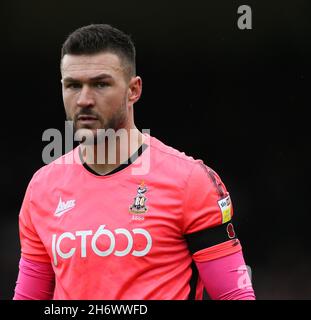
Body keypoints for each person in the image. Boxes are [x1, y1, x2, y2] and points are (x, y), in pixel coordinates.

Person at [13, 24, 255, 300]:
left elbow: (235, 296)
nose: (84, 100)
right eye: (73, 85)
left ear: (133, 90)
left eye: (100, 84)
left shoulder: (189, 181)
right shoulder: (42, 189)